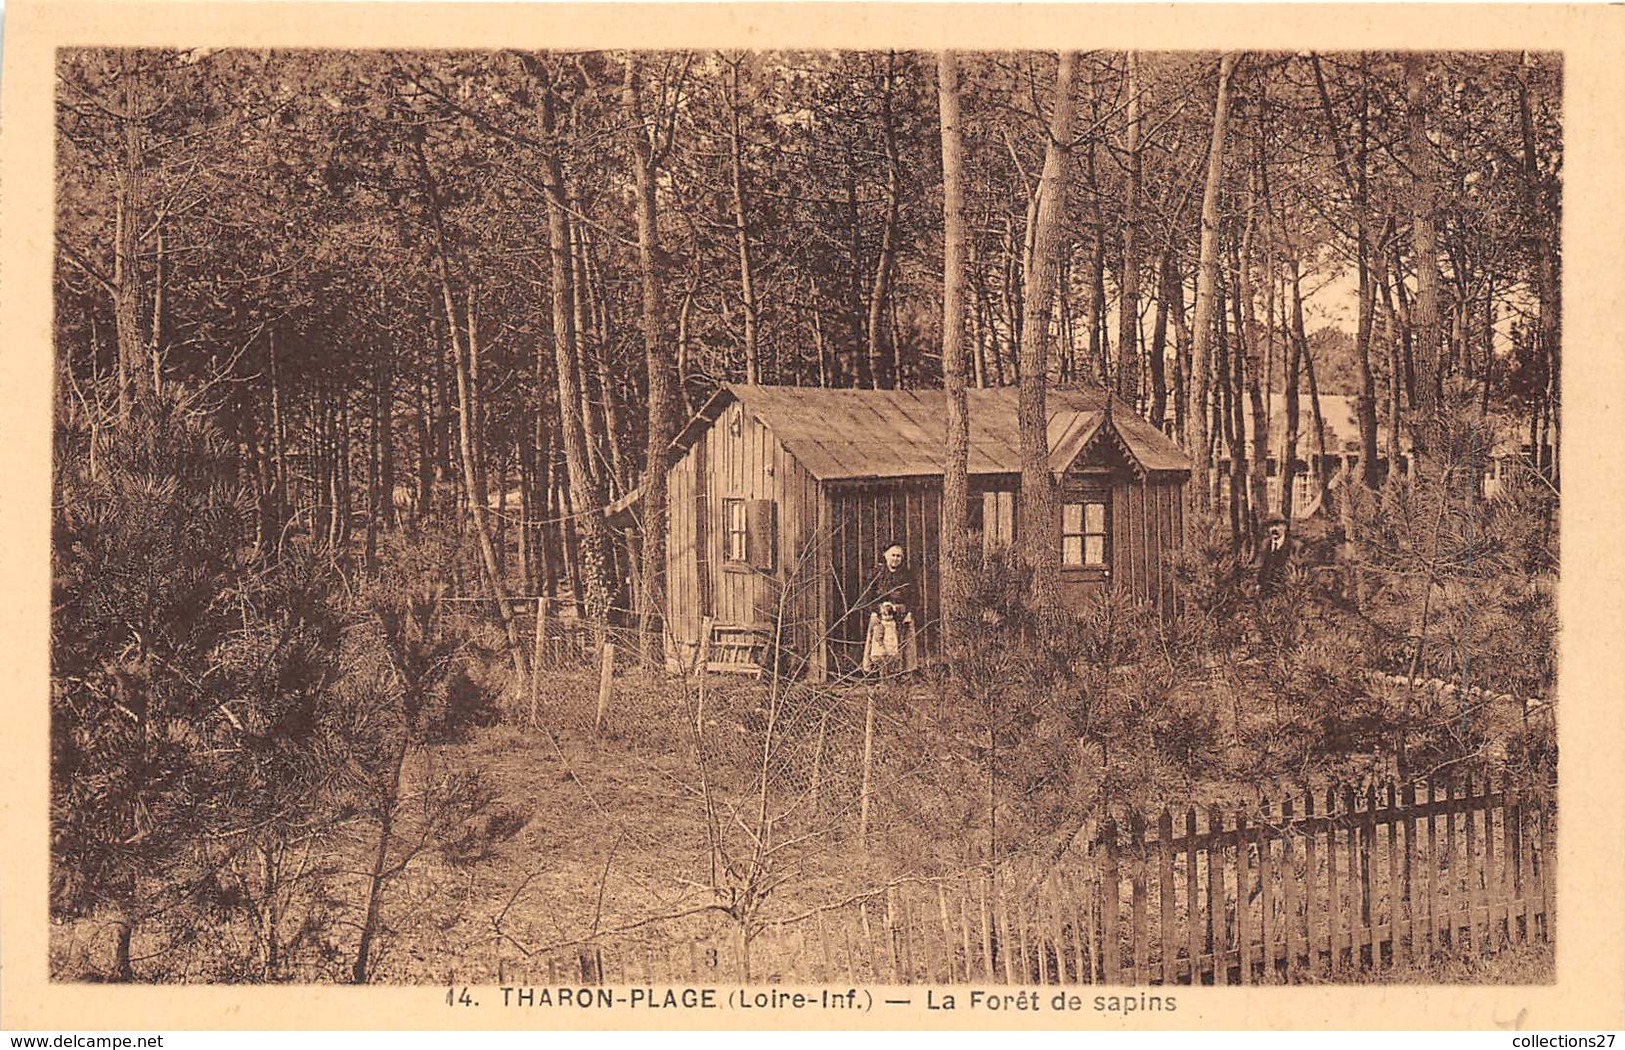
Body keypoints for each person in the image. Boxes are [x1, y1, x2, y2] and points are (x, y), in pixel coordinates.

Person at [861, 542, 919, 674]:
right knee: (879, 646)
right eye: (893, 555)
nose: (895, 558)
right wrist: (873, 612)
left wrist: (910, 612)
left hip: (901, 615)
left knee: (902, 644)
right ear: (886, 555)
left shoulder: (907, 575)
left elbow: (915, 596)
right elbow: (867, 595)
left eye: (898, 556)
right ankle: (879, 674)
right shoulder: (876, 573)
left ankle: (902, 674)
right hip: (880, 614)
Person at [1256, 511, 1297, 597]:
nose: (1274, 529)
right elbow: (1260, 567)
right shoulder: (1265, 544)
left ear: (1285, 527)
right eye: (1271, 526)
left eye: (1277, 525)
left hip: (1285, 592)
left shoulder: (1294, 546)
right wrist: (1258, 585)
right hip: (1265, 591)